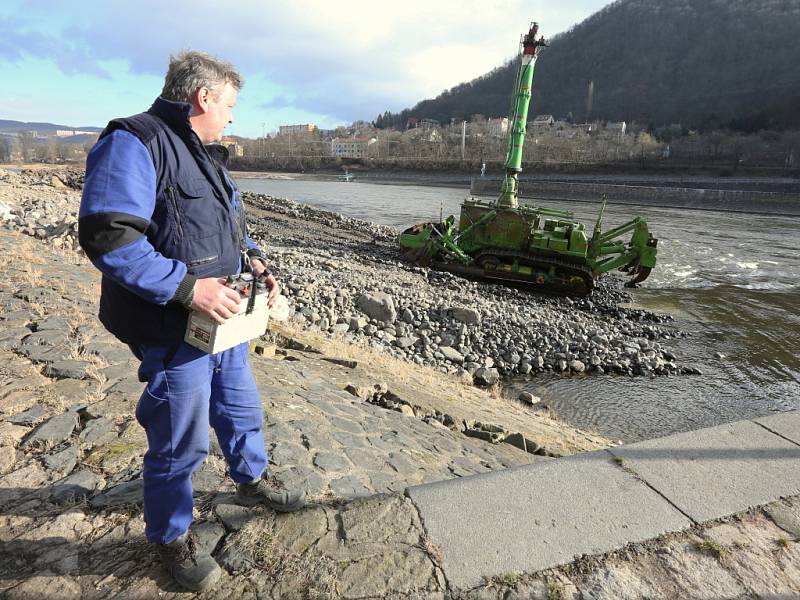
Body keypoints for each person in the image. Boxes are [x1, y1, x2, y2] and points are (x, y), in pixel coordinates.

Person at [78, 51, 305, 592]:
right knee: (180, 439)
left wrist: (253, 260)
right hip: (172, 325)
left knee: (240, 405)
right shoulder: (135, 141)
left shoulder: (204, 153)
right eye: (229, 105)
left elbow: (221, 226)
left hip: (223, 320)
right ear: (204, 97)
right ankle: (170, 536)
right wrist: (189, 288)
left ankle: (251, 479)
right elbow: (110, 235)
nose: (232, 117)